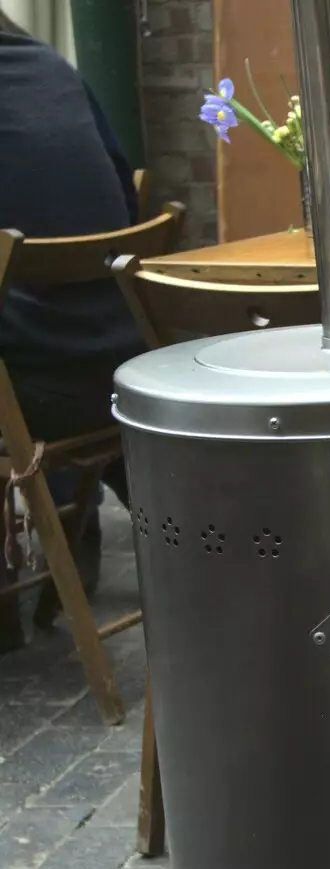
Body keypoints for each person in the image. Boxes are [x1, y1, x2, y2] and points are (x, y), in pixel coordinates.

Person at [0, 13, 144, 639]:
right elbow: (123, 192)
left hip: (39, 387)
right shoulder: (52, 69)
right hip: (121, 355)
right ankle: (70, 528)